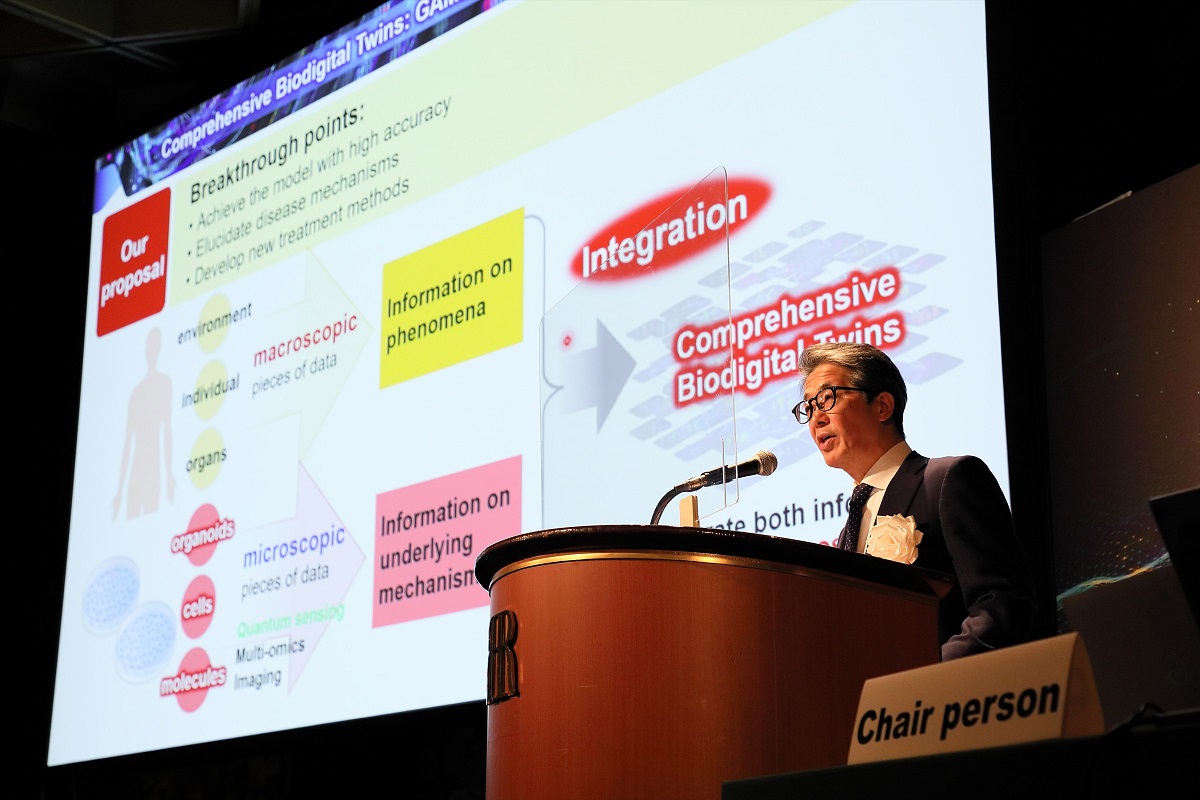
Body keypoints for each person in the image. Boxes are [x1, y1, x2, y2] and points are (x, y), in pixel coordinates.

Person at [796, 341, 1036, 660]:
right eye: (808, 407)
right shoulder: (849, 530)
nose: (816, 418)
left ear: (883, 406)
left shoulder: (948, 480)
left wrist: (923, 678)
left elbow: (1001, 605)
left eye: (827, 398)